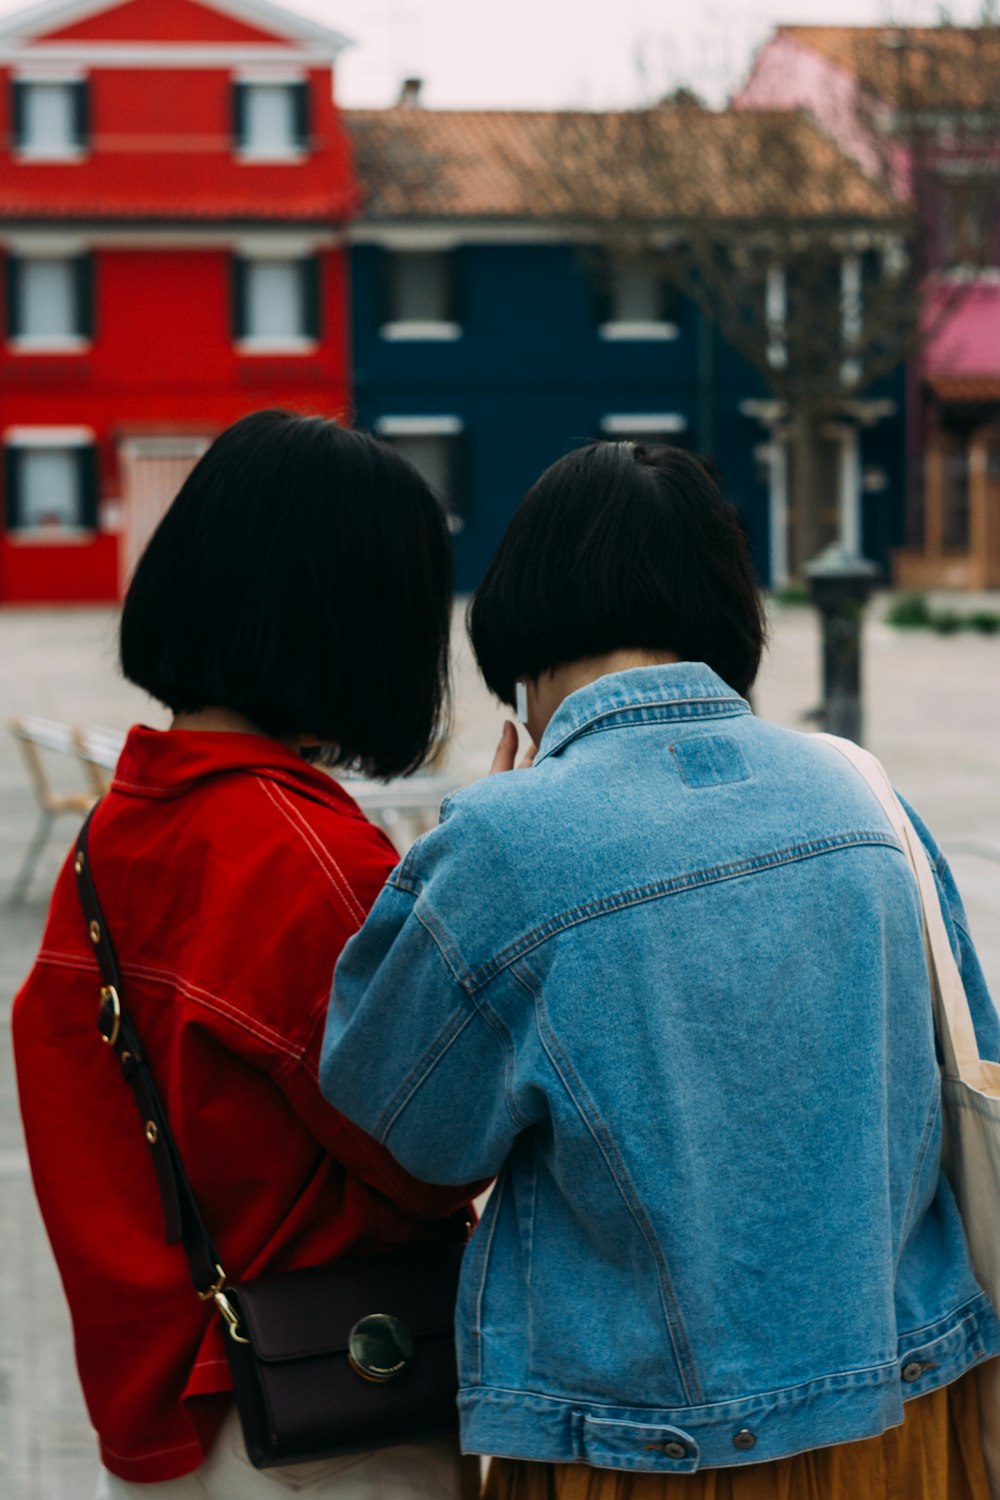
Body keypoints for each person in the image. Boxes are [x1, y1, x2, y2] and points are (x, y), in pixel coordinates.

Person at [320, 440, 1000, 1500]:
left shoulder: (506, 841)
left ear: (520, 630)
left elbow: (414, 1126)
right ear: (731, 621)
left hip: (650, 1451)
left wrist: (471, 849)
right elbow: (975, 1061)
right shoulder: (863, 797)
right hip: (907, 1415)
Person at [12, 410, 481, 1498]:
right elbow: (430, 1145)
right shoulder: (304, 857)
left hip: (170, 1419)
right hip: (333, 1419)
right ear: (360, 622)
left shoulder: (117, 833)